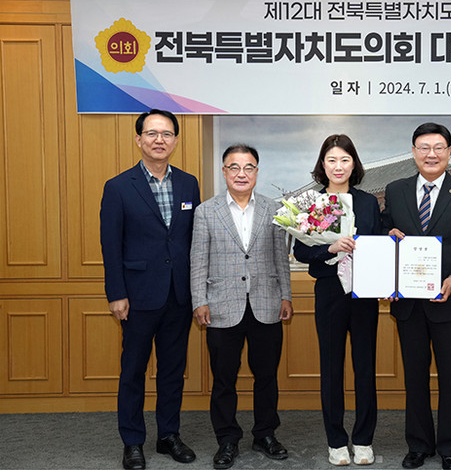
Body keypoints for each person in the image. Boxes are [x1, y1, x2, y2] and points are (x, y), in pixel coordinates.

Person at [382, 122, 451, 470]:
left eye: (439, 147)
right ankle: (418, 445)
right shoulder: (395, 190)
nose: (431, 154)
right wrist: (388, 235)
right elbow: (384, 233)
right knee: (414, 377)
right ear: (414, 152)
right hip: (408, 304)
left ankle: (450, 448)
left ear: (449, 152)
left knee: (450, 379)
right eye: (424, 148)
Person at [100, 109, 200, 470]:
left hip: (178, 294)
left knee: (173, 370)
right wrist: (116, 294)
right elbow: (110, 245)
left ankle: (168, 435)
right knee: (133, 372)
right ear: (139, 139)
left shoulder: (188, 184)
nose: (160, 140)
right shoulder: (118, 187)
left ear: (175, 140)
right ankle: (132, 441)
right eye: (152, 133)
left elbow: (191, 239)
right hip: (137, 295)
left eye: (167, 134)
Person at [190, 144, 293, 470]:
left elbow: (280, 258)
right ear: (224, 172)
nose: (241, 173)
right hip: (222, 306)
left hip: (266, 303)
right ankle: (227, 439)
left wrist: (286, 295)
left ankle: (265, 434)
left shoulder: (273, 209)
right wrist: (199, 301)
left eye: (248, 167)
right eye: (234, 167)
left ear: (257, 172)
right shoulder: (206, 211)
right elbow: (198, 260)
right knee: (224, 380)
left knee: (267, 377)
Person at [293, 134, 381, 466]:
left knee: (365, 367)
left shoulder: (368, 202)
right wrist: (329, 247)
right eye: (332, 160)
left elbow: (378, 243)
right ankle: (336, 440)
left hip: (364, 292)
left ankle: (364, 438)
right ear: (322, 164)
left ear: (354, 164)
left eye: (345, 159)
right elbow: (301, 251)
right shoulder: (311, 202)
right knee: (331, 367)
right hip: (329, 290)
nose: (338, 166)